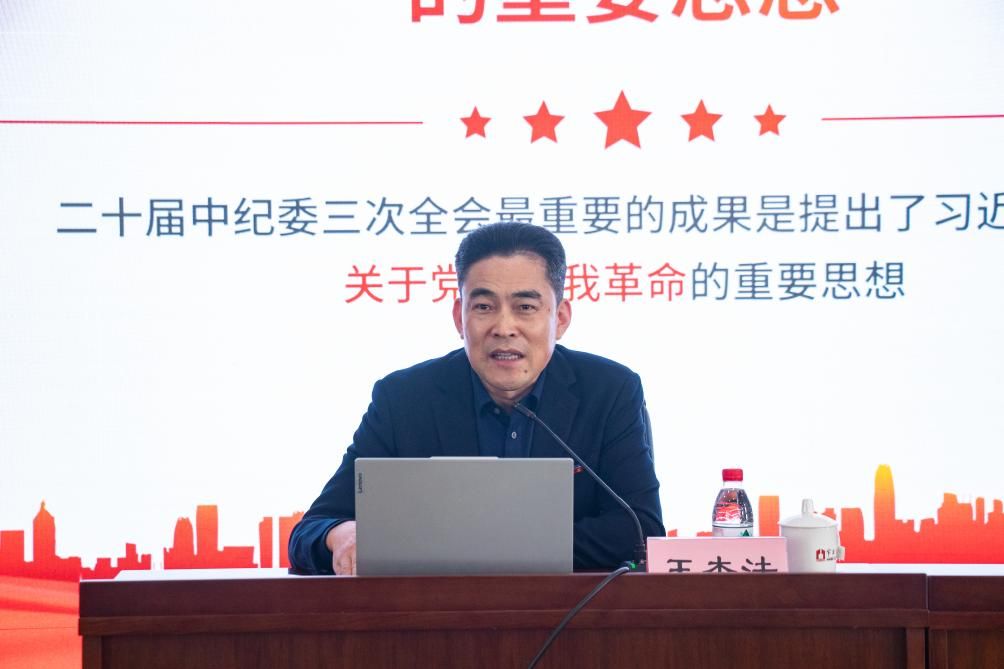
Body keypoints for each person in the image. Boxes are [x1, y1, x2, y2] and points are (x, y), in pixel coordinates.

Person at [288, 222, 664, 574]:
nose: (504, 328)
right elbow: (310, 531)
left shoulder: (609, 390)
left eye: (525, 307)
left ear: (560, 318)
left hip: (569, 613)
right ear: (459, 316)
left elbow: (640, 533)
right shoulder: (404, 399)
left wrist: (473, 545)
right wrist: (339, 534)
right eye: (484, 307)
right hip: (438, 616)